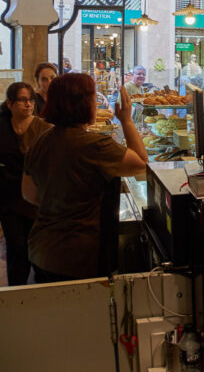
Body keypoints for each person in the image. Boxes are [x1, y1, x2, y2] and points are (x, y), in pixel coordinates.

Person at [22, 74, 148, 282]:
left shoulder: (40, 141)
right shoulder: (95, 145)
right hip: (78, 255)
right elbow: (142, 164)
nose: (96, 104)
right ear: (82, 103)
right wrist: (126, 120)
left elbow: (29, 194)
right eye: (93, 98)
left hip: (42, 249)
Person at [0, 83, 52, 285]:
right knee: (16, 248)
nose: (28, 104)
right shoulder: (3, 127)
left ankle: (39, 290)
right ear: (9, 103)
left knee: (37, 248)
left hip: (36, 199)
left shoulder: (44, 128)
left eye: (30, 100)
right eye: (22, 100)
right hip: (9, 198)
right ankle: (16, 291)